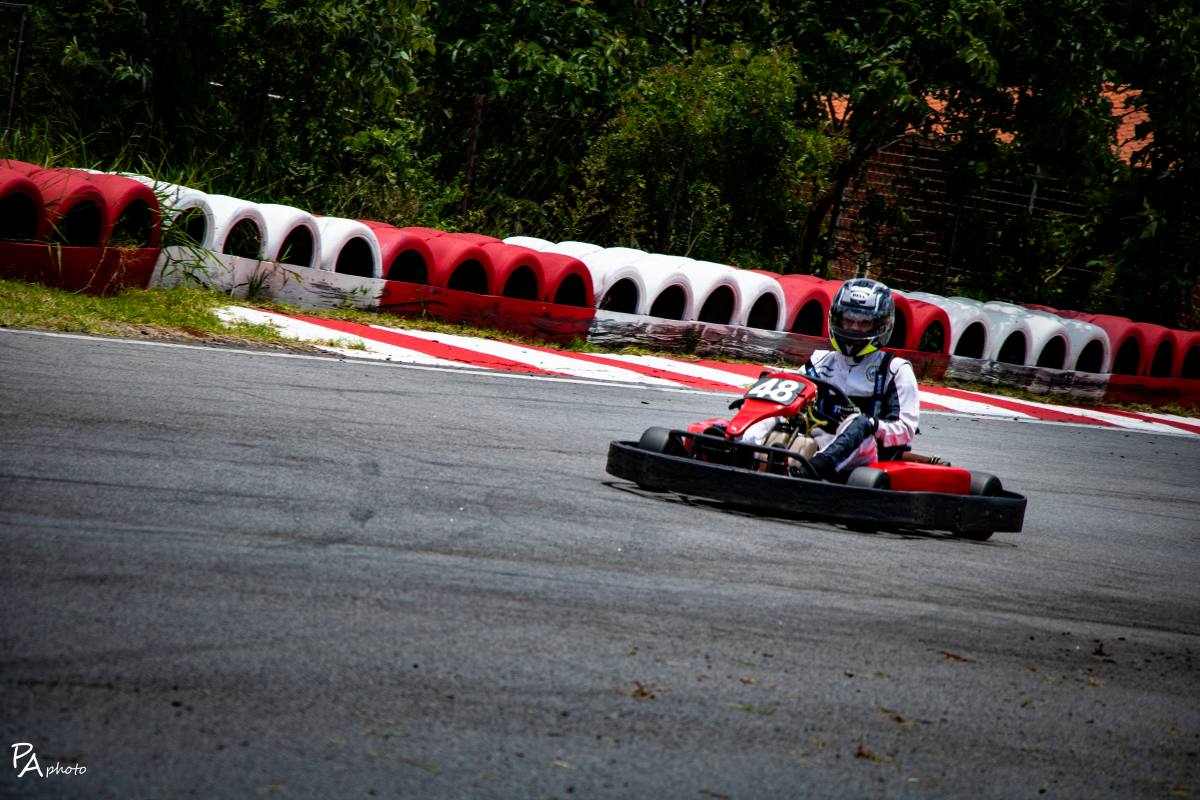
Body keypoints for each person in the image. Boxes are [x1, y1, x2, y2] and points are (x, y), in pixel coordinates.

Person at [739, 277, 920, 481]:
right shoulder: (820, 361)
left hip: (867, 454)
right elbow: (788, 396)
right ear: (837, 319)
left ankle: (810, 473)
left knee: (858, 423)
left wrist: (872, 424)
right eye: (848, 320)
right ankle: (740, 446)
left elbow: (905, 429)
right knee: (777, 402)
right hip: (817, 440)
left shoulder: (894, 370)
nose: (853, 328)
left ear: (880, 325)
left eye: (864, 323)